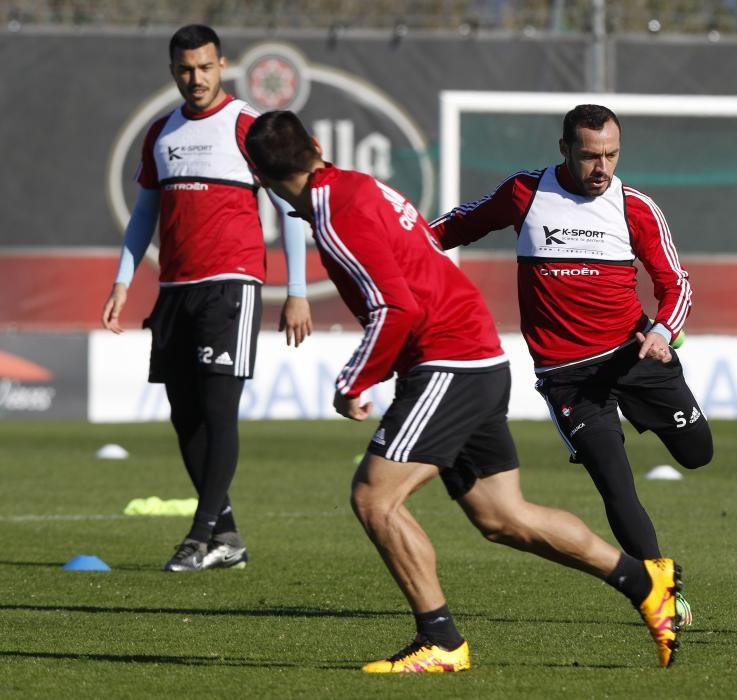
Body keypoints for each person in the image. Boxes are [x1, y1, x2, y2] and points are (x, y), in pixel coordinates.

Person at [244, 109, 683, 672]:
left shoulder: (333, 214)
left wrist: (354, 379)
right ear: (317, 145)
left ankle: (442, 641)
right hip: (475, 356)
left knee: (374, 498)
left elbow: (395, 308)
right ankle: (644, 580)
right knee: (503, 517)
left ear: (260, 177)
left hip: (448, 361)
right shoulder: (356, 186)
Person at [430, 104, 713, 625]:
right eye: (589, 156)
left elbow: (676, 283)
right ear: (564, 150)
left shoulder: (635, 207)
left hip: (636, 354)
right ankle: (660, 592)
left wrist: (662, 331)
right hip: (569, 376)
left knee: (698, 454)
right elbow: (456, 226)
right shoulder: (525, 193)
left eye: (611, 155)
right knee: (614, 480)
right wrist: (397, 245)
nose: (601, 167)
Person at [100, 25, 313, 572]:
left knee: (219, 411)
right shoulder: (160, 133)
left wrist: (295, 291)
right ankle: (227, 536)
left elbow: (292, 205)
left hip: (232, 285)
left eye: (205, 67)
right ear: (173, 70)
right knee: (184, 416)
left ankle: (199, 536)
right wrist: (124, 279)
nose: (195, 78)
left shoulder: (248, 126)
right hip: (174, 288)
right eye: (184, 69)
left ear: (224, 65)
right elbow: (145, 213)